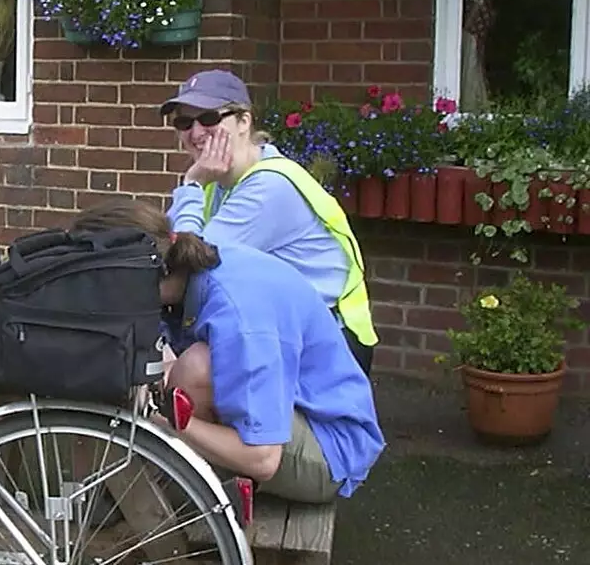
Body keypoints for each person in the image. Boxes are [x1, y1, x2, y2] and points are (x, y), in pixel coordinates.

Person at [72, 197, 385, 502]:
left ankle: (181, 491)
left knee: (194, 370)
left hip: (327, 451)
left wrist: (157, 419)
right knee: (167, 375)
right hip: (293, 407)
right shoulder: (186, 264)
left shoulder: (238, 317)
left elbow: (263, 459)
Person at [159, 69, 378, 374]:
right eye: (184, 122)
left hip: (327, 349)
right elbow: (165, 249)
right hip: (279, 332)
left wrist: (191, 182)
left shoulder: (269, 187)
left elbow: (190, 263)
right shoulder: (217, 185)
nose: (195, 133)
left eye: (209, 118)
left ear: (244, 121)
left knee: (192, 373)